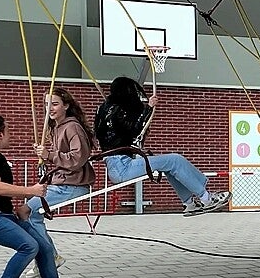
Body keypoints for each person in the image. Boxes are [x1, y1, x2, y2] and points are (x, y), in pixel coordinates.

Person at [0, 115, 88, 278]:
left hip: (3, 216)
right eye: (8, 131)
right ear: (0, 135)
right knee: (29, 246)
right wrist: (31, 191)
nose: (10, 135)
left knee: (44, 248)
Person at [95, 77, 230, 216]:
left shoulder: (103, 109)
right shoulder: (117, 111)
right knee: (175, 160)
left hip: (115, 165)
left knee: (169, 166)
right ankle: (206, 199)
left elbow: (120, 132)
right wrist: (149, 108)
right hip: (122, 165)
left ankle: (189, 203)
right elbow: (136, 130)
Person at [21, 89, 96, 278]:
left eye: (54, 104)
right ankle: (47, 258)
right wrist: (46, 156)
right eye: (46, 105)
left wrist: (50, 155)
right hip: (62, 182)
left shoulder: (72, 127)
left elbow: (78, 158)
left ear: (66, 106)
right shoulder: (56, 127)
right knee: (28, 213)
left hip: (72, 184)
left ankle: (48, 258)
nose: (50, 109)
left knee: (27, 212)